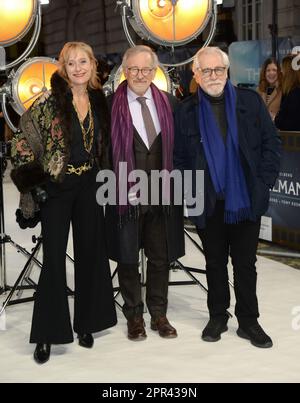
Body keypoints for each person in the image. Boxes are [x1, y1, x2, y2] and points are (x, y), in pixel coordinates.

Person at [10, 42, 117, 364]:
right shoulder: (49, 102)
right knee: (54, 258)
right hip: (58, 187)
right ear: (63, 68)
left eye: (83, 61)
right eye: (71, 63)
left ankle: (88, 322)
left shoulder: (100, 101)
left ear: (92, 65)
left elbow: (106, 145)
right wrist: (35, 183)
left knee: (91, 254)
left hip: (89, 185)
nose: (78, 68)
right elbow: (20, 140)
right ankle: (46, 334)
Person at [174, 47, 281, 348]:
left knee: (245, 263)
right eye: (205, 71)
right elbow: (179, 158)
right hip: (208, 199)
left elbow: (271, 144)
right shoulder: (186, 110)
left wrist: (263, 183)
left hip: (245, 198)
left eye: (218, 70)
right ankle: (218, 315)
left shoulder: (250, 102)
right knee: (215, 263)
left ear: (227, 71)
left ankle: (248, 321)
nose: (213, 76)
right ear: (196, 74)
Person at [105, 45, 184, 340]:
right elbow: (103, 153)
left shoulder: (169, 103)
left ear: (154, 72)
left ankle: (159, 314)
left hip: (162, 195)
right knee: (127, 257)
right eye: (134, 69)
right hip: (124, 194)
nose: (140, 75)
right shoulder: (110, 105)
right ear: (125, 71)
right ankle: (133, 315)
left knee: (160, 257)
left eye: (146, 69)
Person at [275, 53, 300, 131]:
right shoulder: (289, 92)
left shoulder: (294, 94)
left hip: (292, 141)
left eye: (283, 68)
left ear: (289, 73)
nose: (281, 72)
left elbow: (283, 123)